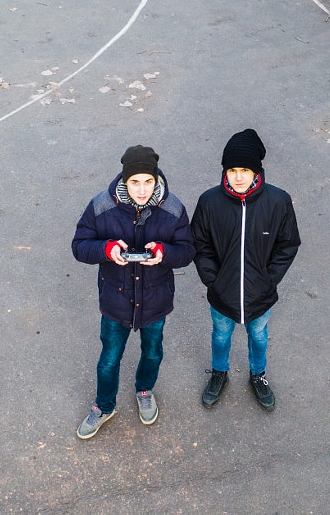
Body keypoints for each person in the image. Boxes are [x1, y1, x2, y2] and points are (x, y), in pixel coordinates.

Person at [72, 145, 195, 439]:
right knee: (109, 359)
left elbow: (188, 250)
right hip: (116, 299)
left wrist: (164, 253)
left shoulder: (173, 208)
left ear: (156, 180)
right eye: (135, 182)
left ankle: (144, 389)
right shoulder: (102, 206)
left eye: (148, 182)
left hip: (155, 300)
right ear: (124, 180)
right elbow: (79, 245)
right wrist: (106, 249)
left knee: (153, 352)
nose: (142, 190)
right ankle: (104, 406)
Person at [191, 129, 300, 411]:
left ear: (257, 172)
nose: (239, 176)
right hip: (222, 294)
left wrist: (269, 280)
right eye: (233, 169)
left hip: (260, 294)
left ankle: (258, 375)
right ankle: (219, 373)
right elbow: (199, 244)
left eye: (246, 170)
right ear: (225, 171)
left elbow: (288, 245)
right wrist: (212, 281)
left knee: (259, 336)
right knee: (220, 335)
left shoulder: (278, 202)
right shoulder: (209, 202)